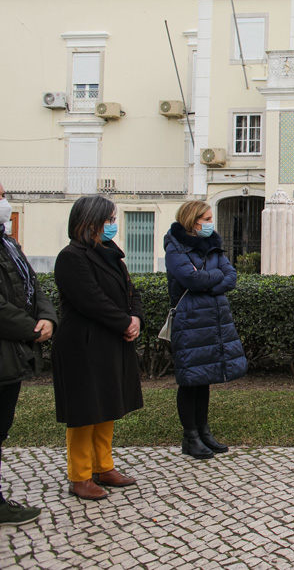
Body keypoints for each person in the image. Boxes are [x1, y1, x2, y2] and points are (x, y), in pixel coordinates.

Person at [52, 195, 143, 500]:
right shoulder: (71, 256)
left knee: (107, 405)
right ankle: (80, 475)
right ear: (90, 221)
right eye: (109, 220)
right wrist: (124, 323)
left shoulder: (110, 254)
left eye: (113, 220)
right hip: (83, 344)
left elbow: (132, 291)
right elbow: (90, 299)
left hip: (110, 342)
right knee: (85, 411)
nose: (113, 225)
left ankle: (104, 466)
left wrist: (136, 319)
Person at [164, 201, 246, 459]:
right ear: (192, 221)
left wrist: (207, 282)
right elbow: (190, 279)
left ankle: (204, 431)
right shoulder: (175, 247)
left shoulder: (213, 245)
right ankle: (190, 437)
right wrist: (213, 280)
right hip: (190, 321)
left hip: (213, 320)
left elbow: (231, 277)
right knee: (190, 380)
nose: (211, 223)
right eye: (207, 218)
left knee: (205, 378)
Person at [0, 183, 56, 524]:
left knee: (2, 427)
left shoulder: (8, 242)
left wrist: (47, 316)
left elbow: (33, 285)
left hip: (12, 355)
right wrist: (31, 328)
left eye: (3, 195)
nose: (4, 202)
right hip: (10, 344)